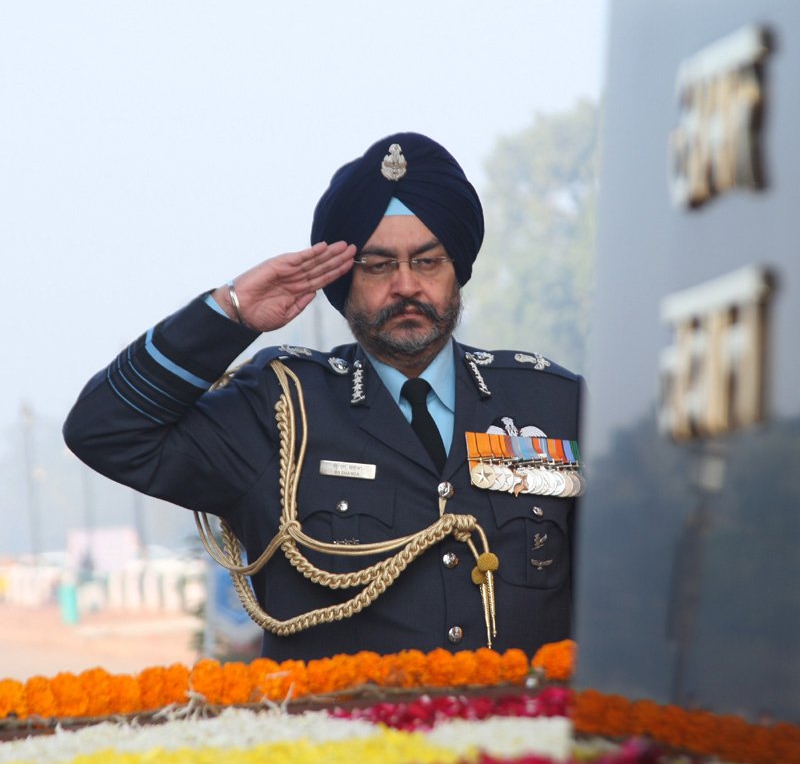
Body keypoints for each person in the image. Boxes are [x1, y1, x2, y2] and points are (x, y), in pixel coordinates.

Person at [64, 132, 585, 662]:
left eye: (427, 262)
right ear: (342, 281)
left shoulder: (552, 405)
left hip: (520, 739)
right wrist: (230, 313)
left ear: (457, 272)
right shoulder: (282, 409)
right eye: (378, 266)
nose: (406, 285)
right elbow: (105, 432)